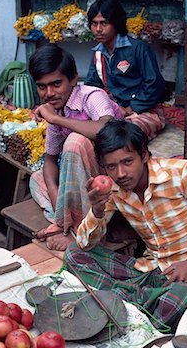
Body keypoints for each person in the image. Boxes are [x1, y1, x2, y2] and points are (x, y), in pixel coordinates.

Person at [64, 119, 187, 331]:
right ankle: (138, 302)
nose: (121, 174)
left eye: (127, 161)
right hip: (149, 271)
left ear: (144, 155)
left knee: (181, 297)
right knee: (73, 254)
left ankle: (123, 301)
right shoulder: (113, 190)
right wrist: (96, 211)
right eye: (111, 167)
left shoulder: (182, 173)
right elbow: (83, 244)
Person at [28, 43, 123, 251]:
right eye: (42, 86)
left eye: (56, 84)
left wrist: (55, 119)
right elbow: (50, 160)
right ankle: (65, 224)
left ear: (73, 78)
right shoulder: (57, 109)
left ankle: (80, 232)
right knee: (37, 179)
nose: (49, 93)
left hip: (113, 180)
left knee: (74, 142)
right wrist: (57, 199)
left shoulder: (91, 96)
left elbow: (107, 128)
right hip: (83, 182)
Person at [85, 0, 166, 140]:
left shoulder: (138, 49)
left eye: (104, 23)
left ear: (116, 23)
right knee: (88, 130)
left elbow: (154, 84)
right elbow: (91, 86)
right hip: (114, 110)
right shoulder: (98, 54)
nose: (98, 29)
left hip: (143, 111)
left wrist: (130, 109)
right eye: (94, 23)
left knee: (125, 136)